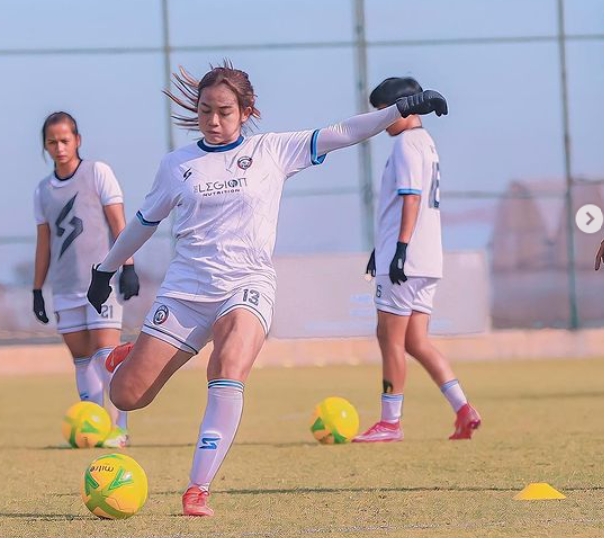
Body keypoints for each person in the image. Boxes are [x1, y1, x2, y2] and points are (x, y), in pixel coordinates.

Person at [87, 61, 448, 516]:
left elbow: (343, 132)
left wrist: (399, 109)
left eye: (224, 112)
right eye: (204, 112)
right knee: (126, 396)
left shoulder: (273, 151)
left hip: (247, 286)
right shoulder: (178, 165)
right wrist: (106, 269)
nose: (213, 122)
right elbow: (143, 222)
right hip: (185, 294)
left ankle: (198, 487)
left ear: (246, 110)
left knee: (228, 364)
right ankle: (130, 352)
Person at [354, 77, 480, 443]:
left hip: (406, 262)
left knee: (388, 337)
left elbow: (410, 200)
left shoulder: (407, 145)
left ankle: (390, 422)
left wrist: (399, 251)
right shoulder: (427, 143)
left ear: (404, 107)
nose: (382, 121)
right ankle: (463, 408)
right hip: (428, 260)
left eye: (384, 113)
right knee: (416, 342)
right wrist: (383, 249)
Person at [32, 111, 140, 448]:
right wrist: (37, 289)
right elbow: (44, 241)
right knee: (81, 360)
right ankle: (93, 426)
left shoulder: (98, 173)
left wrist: (128, 266)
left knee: (104, 355)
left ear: (77, 140)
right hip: (64, 287)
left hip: (101, 284)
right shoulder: (42, 190)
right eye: (52, 142)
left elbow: (119, 225)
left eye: (65, 140)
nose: (59, 147)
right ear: (45, 146)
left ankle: (119, 429)